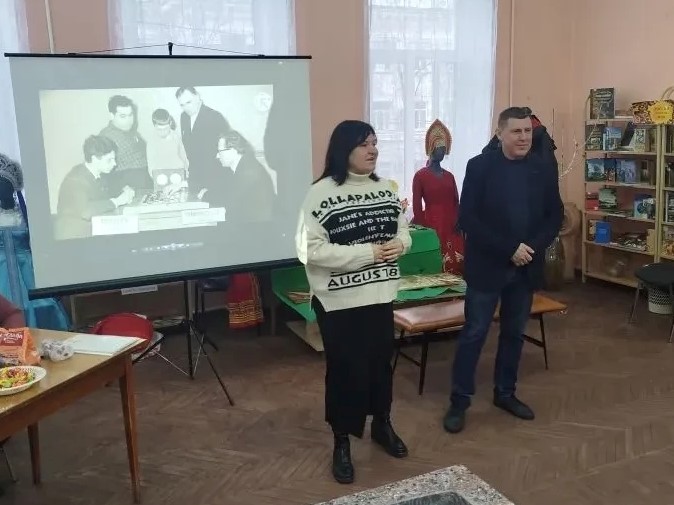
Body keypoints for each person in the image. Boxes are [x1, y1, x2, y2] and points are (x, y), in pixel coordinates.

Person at [295, 120, 412, 484]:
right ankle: (342, 441)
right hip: (338, 303)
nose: (372, 150)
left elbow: (403, 230)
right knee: (346, 371)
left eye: (375, 142)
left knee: (380, 366)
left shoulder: (385, 189)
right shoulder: (319, 193)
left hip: (379, 296)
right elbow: (309, 249)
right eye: (364, 144)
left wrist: (401, 244)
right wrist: (368, 254)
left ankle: (382, 424)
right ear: (343, 149)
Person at [443, 107, 563, 434]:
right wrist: (509, 248)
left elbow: (554, 216)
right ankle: (459, 401)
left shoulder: (542, 168)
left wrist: (530, 248)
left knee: (514, 333)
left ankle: (505, 393)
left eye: (527, 131)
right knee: (474, 333)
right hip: (488, 267)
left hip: (525, 268)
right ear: (500, 134)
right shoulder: (480, 166)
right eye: (516, 131)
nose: (524, 137)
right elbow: (468, 219)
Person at [54, 135, 135, 240]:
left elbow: (109, 188)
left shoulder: (97, 173)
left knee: (132, 226)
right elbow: (85, 211)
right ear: (94, 159)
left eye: (114, 159)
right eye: (109, 160)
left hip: (92, 226)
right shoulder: (75, 179)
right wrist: (117, 201)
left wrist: (125, 189)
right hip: (74, 236)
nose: (114, 164)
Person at [411, 119, 464, 274]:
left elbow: (456, 200)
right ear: (431, 148)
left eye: (443, 149)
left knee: (456, 260)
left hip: (452, 223)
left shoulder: (449, 176)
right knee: (434, 259)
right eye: (439, 148)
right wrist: (422, 227)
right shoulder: (420, 176)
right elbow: (416, 206)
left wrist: (459, 219)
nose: (441, 152)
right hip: (431, 223)